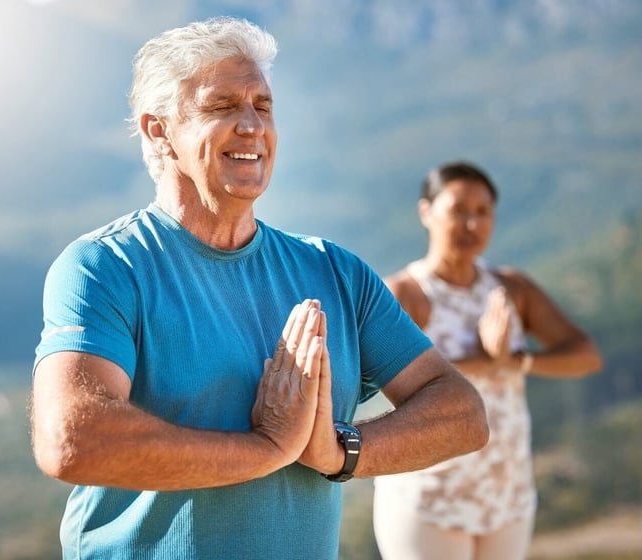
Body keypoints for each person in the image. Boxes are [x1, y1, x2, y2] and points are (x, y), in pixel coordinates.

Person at [30, 17, 489, 560]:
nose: (252, 125)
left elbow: (462, 412)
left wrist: (335, 451)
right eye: (222, 106)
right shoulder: (105, 266)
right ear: (159, 131)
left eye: (263, 107)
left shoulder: (335, 272)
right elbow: (73, 439)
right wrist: (265, 450)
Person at [372, 161, 603, 560]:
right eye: (458, 211)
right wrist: (486, 361)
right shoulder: (405, 294)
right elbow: (379, 390)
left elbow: (585, 355)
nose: (471, 225)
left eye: (482, 213)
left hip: (506, 499)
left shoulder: (513, 288)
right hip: (428, 500)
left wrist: (518, 361)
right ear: (426, 213)